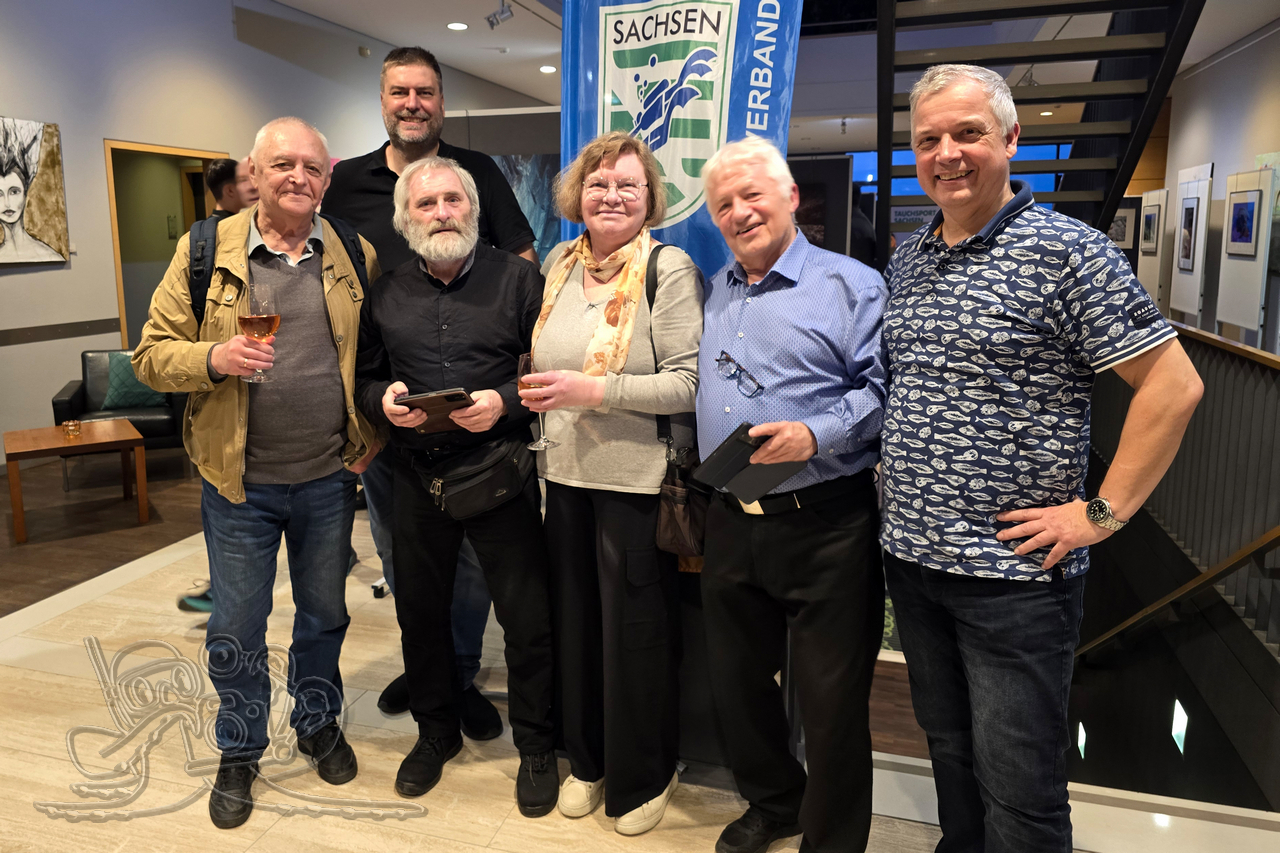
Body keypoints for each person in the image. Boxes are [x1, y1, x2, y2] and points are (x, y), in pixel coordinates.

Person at [882, 64, 1203, 853]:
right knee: (950, 751)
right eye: (928, 140)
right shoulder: (908, 259)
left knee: (1020, 788)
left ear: (1011, 139)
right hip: (914, 562)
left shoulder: (1069, 253)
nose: (947, 153)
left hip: (1016, 577)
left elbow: (1174, 385)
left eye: (968, 133)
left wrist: (1100, 514)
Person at [133, 117, 380, 830]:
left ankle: (317, 722)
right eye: (282, 164)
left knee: (324, 615)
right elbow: (150, 355)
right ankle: (240, 748)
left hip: (328, 479)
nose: (298, 177)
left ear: (327, 177)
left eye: (312, 166)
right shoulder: (204, 250)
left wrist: (372, 437)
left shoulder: (352, 250)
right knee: (237, 626)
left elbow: (374, 356)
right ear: (255, 173)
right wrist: (214, 359)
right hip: (238, 483)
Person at [326, 46, 538, 733]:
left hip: (485, 430)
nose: (412, 103)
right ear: (383, 100)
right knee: (405, 557)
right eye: (400, 91)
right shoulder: (345, 183)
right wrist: (369, 409)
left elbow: (520, 264)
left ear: (441, 101)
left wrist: (505, 379)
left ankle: (462, 668)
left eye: (425, 91)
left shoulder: (478, 173)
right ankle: (432, 672)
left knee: (474, 564)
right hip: (395, 419)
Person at [697, 136, 887, 853]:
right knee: (736, 683)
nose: (739, 212)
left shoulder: (852, 285)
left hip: (826, 525)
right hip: (731, 514)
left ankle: (832, 841)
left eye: (752, 195)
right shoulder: (715, 287)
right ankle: (776, 801)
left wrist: (814, 434)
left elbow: (884, 392)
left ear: (791, 198)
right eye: (724, 204)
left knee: (832, 703)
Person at [354, 156, 558, 814]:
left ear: (472, 208)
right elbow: (364, 378)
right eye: (426, 203)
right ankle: (436, 733)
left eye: (453, 200)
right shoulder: (385, 295)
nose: (442, 212)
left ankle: (537, 744)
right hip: (416, 478)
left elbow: (551, 373)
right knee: (420, 615)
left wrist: (504, 401)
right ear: (404, 219)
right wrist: (383, 400)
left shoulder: (521, 281)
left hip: (502, 473)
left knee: (527, 620)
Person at [518, 131, 702, 834]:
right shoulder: (559, 264)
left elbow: (688, 384)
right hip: (563, 476)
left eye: (629, 184)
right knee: (575, 631)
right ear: (577, 194)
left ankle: (646, 773)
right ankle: (588, 762)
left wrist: (593, 391)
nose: (612, 196)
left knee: (636, 639)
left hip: (637, 484)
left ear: (651, 197)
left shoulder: (668, 268)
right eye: (599, 183)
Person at [0, 118, 63, 263]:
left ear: (25, 192)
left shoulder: (50, 255)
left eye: (14, 192)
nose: (7, 203)